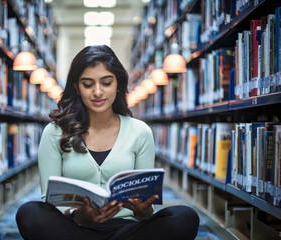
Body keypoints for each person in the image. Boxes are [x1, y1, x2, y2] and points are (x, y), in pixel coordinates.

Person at [16, 45, 199, 240]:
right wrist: (76, 215)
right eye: (88, 84)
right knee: (29, 213)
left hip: (127, 230)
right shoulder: (54, 132)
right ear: (76, 87)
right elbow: (49, 201)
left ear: (118, 84)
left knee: (184, 217)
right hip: (75, 228)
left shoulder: (140, 132)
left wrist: (143, 211)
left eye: (106, 83)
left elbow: (146, 203)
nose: (97, 92)